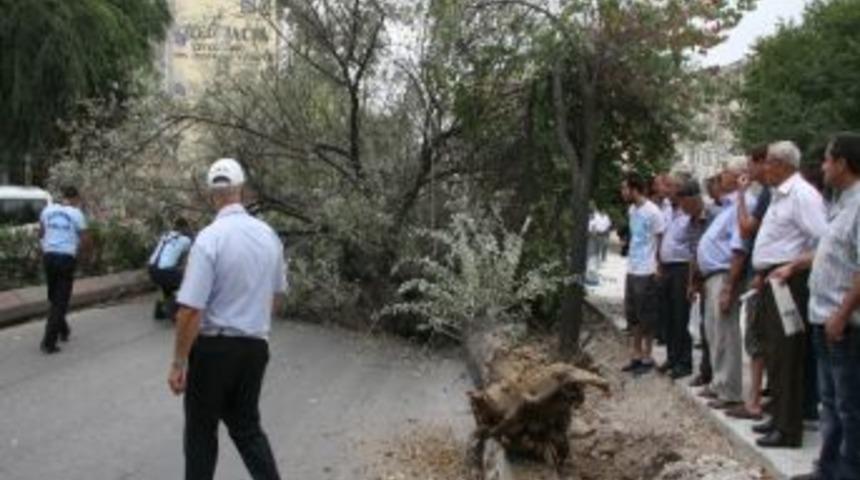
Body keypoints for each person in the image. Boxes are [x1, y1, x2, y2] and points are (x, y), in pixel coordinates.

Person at [168, 158, 286, 479]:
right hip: (254, 348)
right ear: (243, 191)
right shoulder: (269, 236)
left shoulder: (210, 238)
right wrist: (252, 326)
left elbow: (191, 309)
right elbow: (275, 298)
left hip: (213, 351)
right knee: (247, 429)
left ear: (211, 195)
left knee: (201, 434)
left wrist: (179, 363)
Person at [751, 141, 827, 448]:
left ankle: (788, 428)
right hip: (772, 278)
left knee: (787, 354)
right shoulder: (778, 195)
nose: (763, 168)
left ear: (783, 164)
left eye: (768, 162)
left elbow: (823, 242)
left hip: (789, 281)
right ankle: (778, 417)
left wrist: (792, 267)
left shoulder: (802, 195)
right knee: (773, 351)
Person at [806, 132, 860, 479]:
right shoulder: (841, 202)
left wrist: (842, 314)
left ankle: (848, 471)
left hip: (844, 323)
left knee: (848, 405)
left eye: (827, 159)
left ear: (842, 163)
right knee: (830, 401)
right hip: (823, 317)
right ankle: (826, 468)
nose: (823, 166)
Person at [694, 157, 753, 411]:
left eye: (725, 173)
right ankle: (719, 383)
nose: (720, 177)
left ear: (740, 176)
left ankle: (730, 390)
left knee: (726, 333)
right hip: (712, 276)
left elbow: (739, 248)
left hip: (724, 275)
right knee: (713, 331)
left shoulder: (744, 203)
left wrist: (730, 285)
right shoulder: (728, 205)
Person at [725, 144, 772, 421]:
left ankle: (755, 401)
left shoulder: (763, 195)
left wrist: (741, 195)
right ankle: (759, 398)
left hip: (762, 276)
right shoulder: (769, 194)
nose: (747, 172)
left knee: (756, 339)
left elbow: (745, 229)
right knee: (757, 338)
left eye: (749, 166)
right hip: (762, 273)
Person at [620, 175, 665, 375]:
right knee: (633, 315)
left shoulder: (653, 212)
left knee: (647, 315)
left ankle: (648, 356)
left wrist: (658, 265)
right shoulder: (632, 210)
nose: (622, 193)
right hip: (632, 268)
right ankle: (636, 355)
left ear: (634, 189)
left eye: (625, 188)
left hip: (647, 269)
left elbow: (660, 238)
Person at [38, 185, 90, 354]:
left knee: (54, 296)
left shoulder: (47, 210)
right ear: (75, 198)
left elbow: (41, 233)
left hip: (49, 256)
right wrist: (84, 258)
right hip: (65, 258)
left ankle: (63, 329)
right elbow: (85, 240)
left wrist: (45, 249)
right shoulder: (76, 214)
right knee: (60, 301)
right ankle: (48, 342)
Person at [656, 173, 695, 379]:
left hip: (682, 269)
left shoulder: (689, 214)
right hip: (667, 268)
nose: (666, 190)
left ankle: (684, 362)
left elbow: (692, 249)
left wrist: (691, 280)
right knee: (668, 315)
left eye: (670, 186)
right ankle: (672, 357)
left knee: (681, 316)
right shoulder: (668, 211)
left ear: (680, 190)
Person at [148, 217, 193, 321]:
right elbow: (191, 256)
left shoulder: (165, 236)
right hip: (165, 272)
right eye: (189, 228)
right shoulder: (185, 239)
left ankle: (163, 307)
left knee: (168, 283)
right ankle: (177, 310)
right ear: (185, 227)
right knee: (189, 281)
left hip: (151, 270)